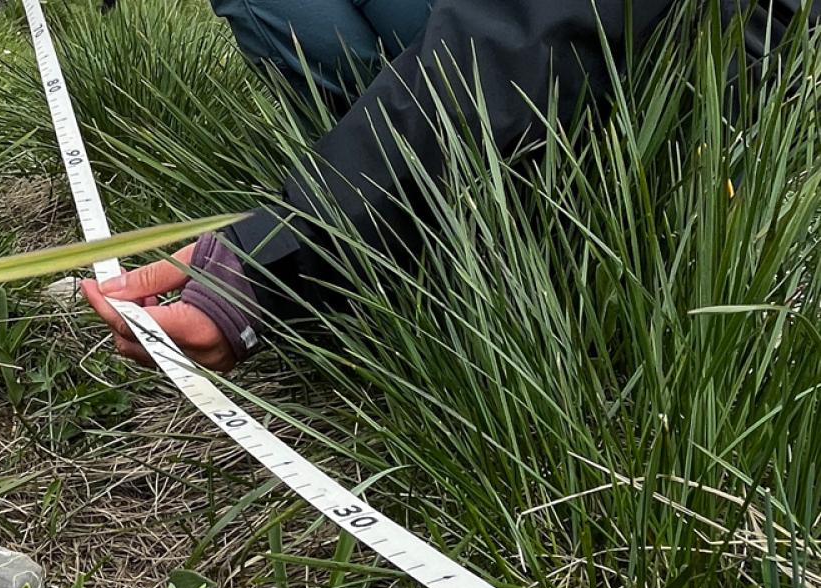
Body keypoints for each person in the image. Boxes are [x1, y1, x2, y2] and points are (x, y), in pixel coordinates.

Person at [80, 0, 819, 372]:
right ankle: (416, 213)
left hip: (699, 114)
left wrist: (271, 262)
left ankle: (499, 245)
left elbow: (535, 30)